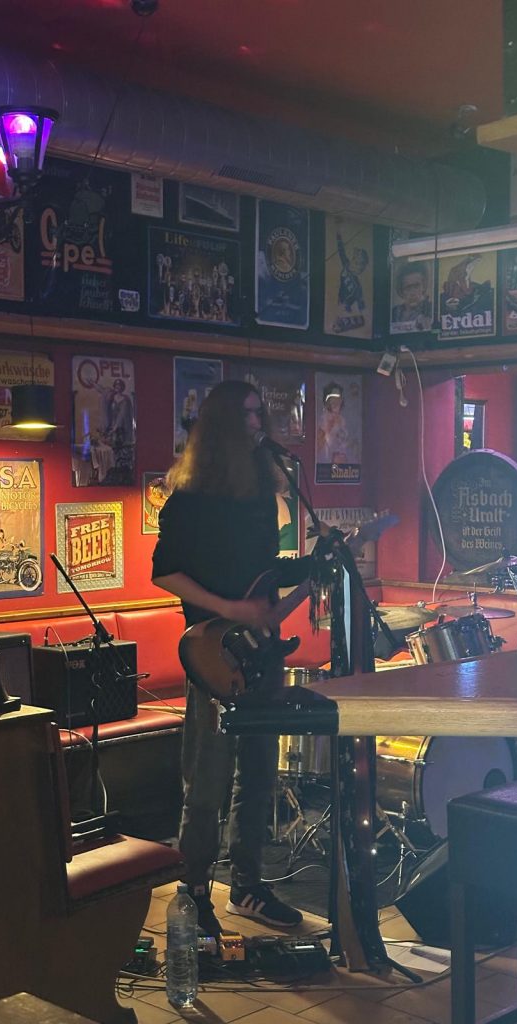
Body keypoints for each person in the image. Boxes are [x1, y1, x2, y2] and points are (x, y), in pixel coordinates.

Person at [152, 380, 314, 936]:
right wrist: (228, 608)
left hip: (262, 650)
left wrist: (313, 566)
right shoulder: (190, 498)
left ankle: (247, 884)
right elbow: (164, 571)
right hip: (213, 651)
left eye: (258, 413)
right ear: (221, 424)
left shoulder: (260, 495)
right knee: (207, 777)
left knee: (260, 772)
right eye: (246, 415)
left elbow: (265, 569)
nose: (256, 424)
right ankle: (194, 889)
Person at [391, 261, 433, 332]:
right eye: (408, 287)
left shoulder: (431, 310)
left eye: (416, 286)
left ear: (423, 286)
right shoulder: (394, 313)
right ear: (401, 290)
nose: (412, 293)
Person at [317, 381, 350, 464]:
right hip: (327, 464)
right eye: (332, 399)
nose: (336, 402)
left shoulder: (342, 420)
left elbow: (344, 442)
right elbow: (319, 445)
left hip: (341, 466)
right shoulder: (323, 420)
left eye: (338, 399)